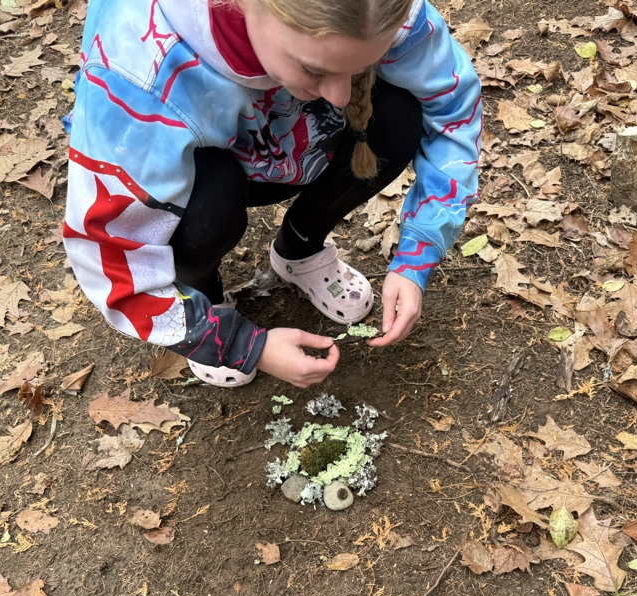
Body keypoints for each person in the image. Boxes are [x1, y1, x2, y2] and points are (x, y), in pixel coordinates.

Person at [63, 0, 482, 389]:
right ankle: (201, 294)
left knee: (399, 113)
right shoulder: (137, 70)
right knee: (208, 209)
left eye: (361, 67)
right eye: (314, 69)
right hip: (206, 170)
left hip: (298, 139)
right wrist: (241, 344)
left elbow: (454, 111)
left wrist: (416, 257)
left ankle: (300, 248)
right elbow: (110, 257)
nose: (341, 95)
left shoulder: (379, 9)